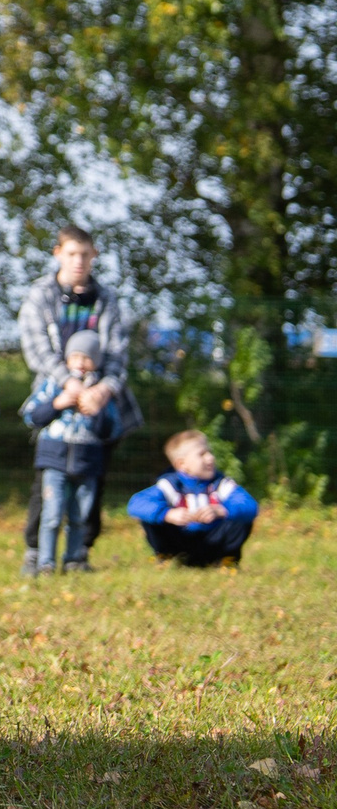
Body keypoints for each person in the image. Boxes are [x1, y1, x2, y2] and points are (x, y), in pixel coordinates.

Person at [16, 225, 139, 570]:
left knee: (92, 481)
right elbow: (36, 348)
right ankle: (36, 552)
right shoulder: (40, 295)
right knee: (48, 482)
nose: (79, 261)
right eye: (72, 254)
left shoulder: (106, 299)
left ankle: (80, 551)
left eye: (85, 254)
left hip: (99, 404)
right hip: (57, 397)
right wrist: (68, 384)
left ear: (94, 256)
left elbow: (117, 353)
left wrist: (102, 390)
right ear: (58, 253)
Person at [22, 330, 123, 574]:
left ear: (96, 361)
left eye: (86, 358)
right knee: (52, 514)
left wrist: (96, 409)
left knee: (80, 515)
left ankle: (74, 559)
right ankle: (46, 562)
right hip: (54, 460)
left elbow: (111, 429)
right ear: (66, 359)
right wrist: (59, 403)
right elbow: (32, 415)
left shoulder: (100, 392)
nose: (79, 363)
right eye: (75, 356)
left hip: (88, 462)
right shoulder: (54, 385)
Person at [127, 429, 258, 568]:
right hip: (179, 542)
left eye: (210, 452)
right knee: (151, 516)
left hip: (215, 544)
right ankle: (167, 557)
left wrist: (222, 510)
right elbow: (136, 503)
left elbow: (251, 505)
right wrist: (167, 514)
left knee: (242, 517)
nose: (210, 458)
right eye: (202, 454)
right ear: (181, 464)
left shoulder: (221, 484)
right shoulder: (170, 485)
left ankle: (227, 560)